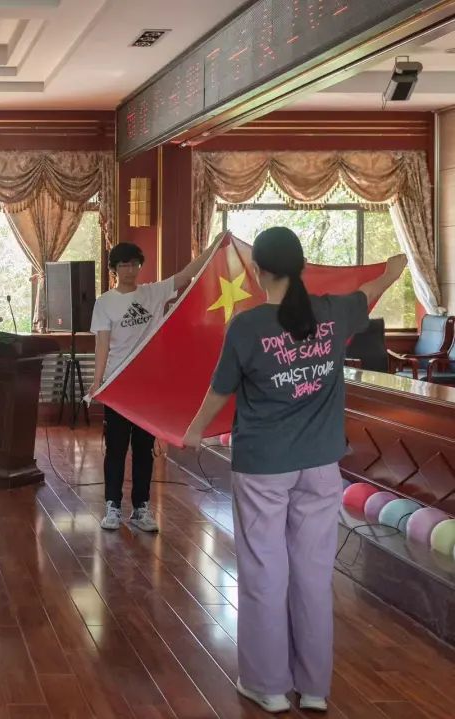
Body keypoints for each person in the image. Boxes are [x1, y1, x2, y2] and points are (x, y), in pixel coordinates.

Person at [183, 227, 407, 714]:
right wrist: (396, 265)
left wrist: (194, 430)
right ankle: (314, 688)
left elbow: (221, 390)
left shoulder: (246, 326)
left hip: (264, 467)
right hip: (321, 466)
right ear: (302, 267)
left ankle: (266, 686)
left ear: (258, 271)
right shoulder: (334, 312)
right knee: (312, 574)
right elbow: (376, 284)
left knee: (264, 572)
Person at [88, 240, 218, 533]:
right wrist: (98, 382)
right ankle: (112, 505)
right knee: (116, 448)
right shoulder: (105, 303)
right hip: (118, 386)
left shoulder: (153, 293)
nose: (130, 270)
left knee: (144, 448)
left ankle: (141, 507)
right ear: (114, 269)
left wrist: (215, 247)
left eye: (135, 264)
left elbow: (187, 275)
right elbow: (102, 344)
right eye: (124, 265)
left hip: (147, 387)